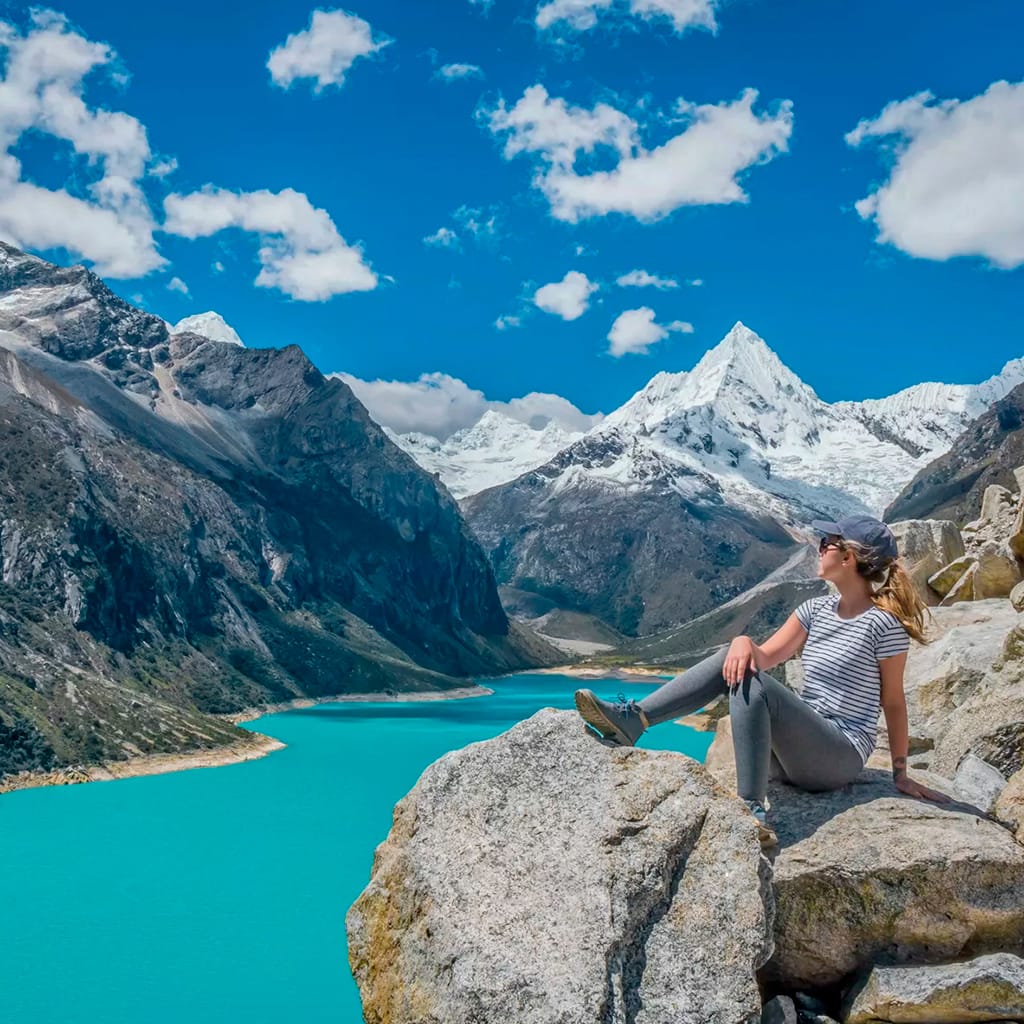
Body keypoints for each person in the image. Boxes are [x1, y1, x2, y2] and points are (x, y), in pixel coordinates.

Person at [573, 514, 950, 849]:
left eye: (826, 544)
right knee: (733, 659)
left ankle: (752, 810)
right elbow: (765, 656)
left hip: (838, 755)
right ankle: (634, 720)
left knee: (754, 683)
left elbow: (894, 702)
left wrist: (901, 773)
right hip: (793, 754)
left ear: (848, 557)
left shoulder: (883, 626)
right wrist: (740, 641)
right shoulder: (814, 610)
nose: (819, 549)